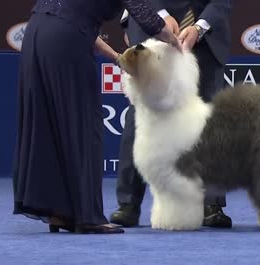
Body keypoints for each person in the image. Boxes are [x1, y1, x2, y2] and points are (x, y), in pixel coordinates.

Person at [12, 0, 181, 234]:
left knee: (49, 122)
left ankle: (59, 212)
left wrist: (114, 56)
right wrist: (174, 42)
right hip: (65, 39)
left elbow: (74, 19)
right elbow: (147, 18)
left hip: (36, 33)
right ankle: (88, 217)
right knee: (83, 124)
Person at [110, 0, 233, 228]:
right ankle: (128, 203)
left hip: (205, 32)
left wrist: (199, 27)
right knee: (142, 113)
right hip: (149, 19)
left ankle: (211, 203)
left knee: (208, 118)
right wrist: (159, 16)